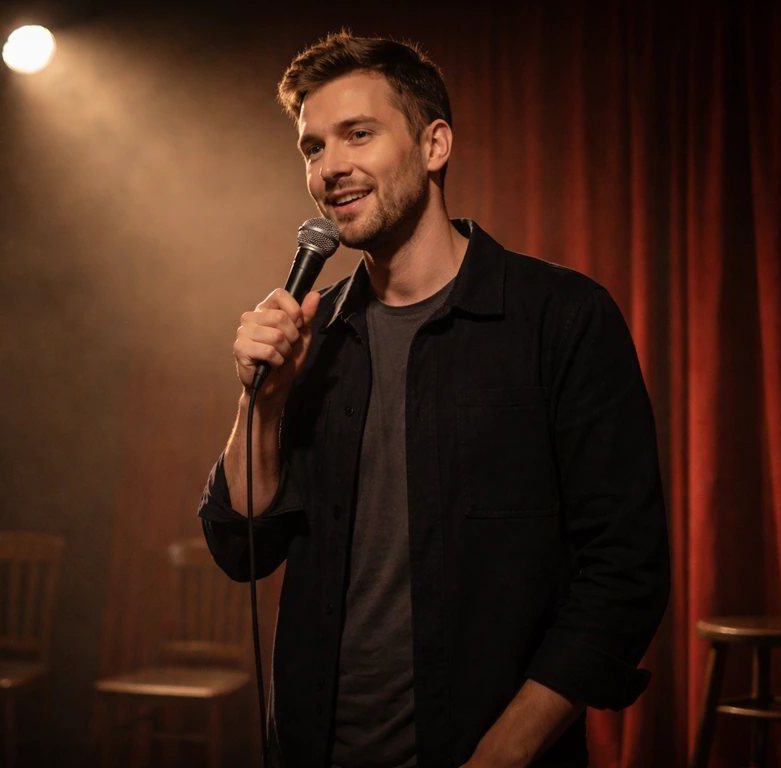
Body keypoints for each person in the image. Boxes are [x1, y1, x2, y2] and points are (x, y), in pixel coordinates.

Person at [197, 31, 670, 768]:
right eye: (313, 147)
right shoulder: (311, 335)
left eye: (358, 134)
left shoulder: (560, 317)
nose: (330, 168)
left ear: (434, 144)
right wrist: (260, 404)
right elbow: (240, 549)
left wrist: (502, 754)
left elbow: (626, 571)